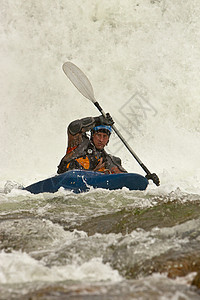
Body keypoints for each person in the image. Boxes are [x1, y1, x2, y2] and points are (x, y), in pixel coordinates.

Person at [57, 114, 127, 174]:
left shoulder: (108, 160)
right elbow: (73, 127)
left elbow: (125, 178)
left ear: (108, 139)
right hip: (63, 185)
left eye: (104, 136)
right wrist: (97, 120)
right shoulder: (79, 144)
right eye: (98, 135)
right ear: (92, 135)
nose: (101, 140)